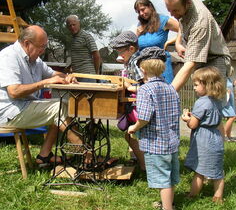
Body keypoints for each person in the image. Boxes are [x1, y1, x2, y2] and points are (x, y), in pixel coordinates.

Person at [0, 25, 81, 166]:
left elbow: (51, 73)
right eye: (41, 47)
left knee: (65, 104)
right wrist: (44, 83)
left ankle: (44, 156)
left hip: (23, 107)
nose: (43, 51)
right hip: (7, 111)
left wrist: (66, 76)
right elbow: (14, 92)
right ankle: (88, 155)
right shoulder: (9, 57)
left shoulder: (34, 60)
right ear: (26, 43)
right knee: (59, 108)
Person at [127, 47, 180, 210]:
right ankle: (168, 203)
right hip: (172, 142)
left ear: (142, 68)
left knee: (162, 179)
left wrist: (133, 127)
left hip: (156, 143)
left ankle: (167, 208)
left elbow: (144, 117)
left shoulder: (145, 89)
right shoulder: (170, 88)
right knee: (169, 177)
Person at [163, 0, 232, 91]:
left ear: (188, 3)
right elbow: (181, 20)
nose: (171, 14)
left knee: (215, 102)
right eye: (169, 9)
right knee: (203, 102)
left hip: (215, 59)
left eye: (175, 10)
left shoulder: (200, 22)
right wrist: (178, 42)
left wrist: (169, 93)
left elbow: (190, 64)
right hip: (199, 61)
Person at [181, 66, 226, 204]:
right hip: (215, 137)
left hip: (203, 139)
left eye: (196, 85)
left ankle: (192, 195)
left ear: (207, 85)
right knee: (217, 171)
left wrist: (186, 118)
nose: (194, 88)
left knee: (199, 171)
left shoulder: (201, 102)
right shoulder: (217, 101)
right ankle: (218, 196)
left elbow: (193, 124)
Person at [109, 30, 145, 170]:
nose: (119, 55)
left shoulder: (136, 62)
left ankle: (145, 167)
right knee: (130, 135)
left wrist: (127, 85)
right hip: (134, 104)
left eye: (120, 52)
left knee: (132, 136)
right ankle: (143, 164)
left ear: (131, 49)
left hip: (139, 106)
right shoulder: (130, 61)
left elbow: (144, 86)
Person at [134, 0, 179, 83]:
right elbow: (135, 47)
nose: (141, 13)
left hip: (161, 68)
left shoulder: (163, 20)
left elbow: (183, 29)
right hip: (145, 70)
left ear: (150, 6)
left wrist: (171, 42)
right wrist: (137, 34)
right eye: (138, 12)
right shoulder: (140, 24)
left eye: (143, 9)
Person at [66, 15, 102, 82]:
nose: (72, 27)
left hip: (87, 75)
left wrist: (96, 73)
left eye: (74, 24)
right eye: (70, 25)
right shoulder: (72, 38)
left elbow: (96, 55)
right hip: (76, 76)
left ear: (79, 24)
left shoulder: (86, 36)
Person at [222, 66, 236, 142]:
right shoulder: (223, 79)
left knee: (231, 117)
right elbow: (220, 88)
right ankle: (224, 135)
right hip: (226, 101)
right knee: (232, 116)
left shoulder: (228, 79)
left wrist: (234, 85)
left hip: (231, 101)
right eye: (231, 71)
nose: (232, 73)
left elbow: (230, 87)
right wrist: (225, 90)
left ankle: (229, 136)